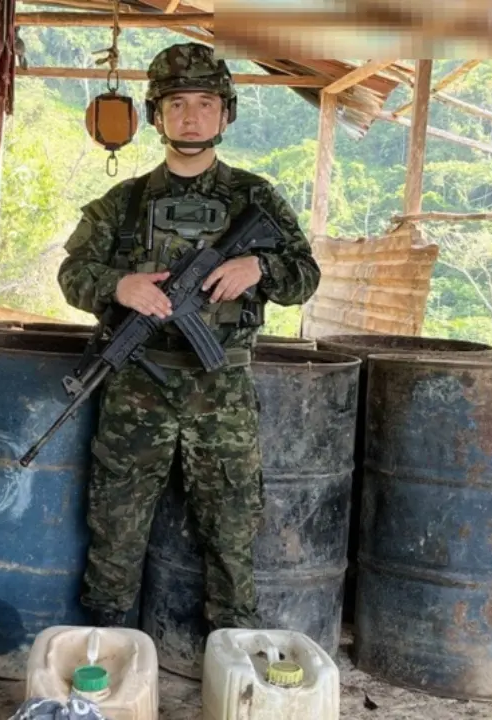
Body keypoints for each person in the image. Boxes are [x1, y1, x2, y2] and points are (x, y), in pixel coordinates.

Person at [57, 42, 321, 631]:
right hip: (136, 388)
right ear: (156, 116)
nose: (192, 116)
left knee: (231, 527)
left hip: (220, 387)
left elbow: (305, 274)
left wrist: (261, 269)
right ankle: (106, 644)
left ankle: (233, 650)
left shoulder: (255, 198)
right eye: (177, 104)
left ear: (226, 114)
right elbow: (71, 275)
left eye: (205, 103)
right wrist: (120, 285)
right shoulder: (121, 205)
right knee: (115, 525)